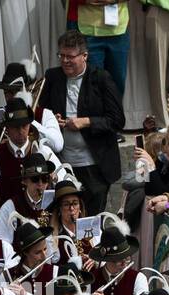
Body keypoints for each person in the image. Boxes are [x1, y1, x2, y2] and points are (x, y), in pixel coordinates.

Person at [40, 29, 125, 216]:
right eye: (61, 55)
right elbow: (41, 112)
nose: (64, 61)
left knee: (91, 219)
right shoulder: (53, 77)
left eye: (70, 56)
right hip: (63, 163)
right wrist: (51, 120)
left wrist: (86, 122)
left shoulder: (101, 78)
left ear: (84, 56)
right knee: (65, 217)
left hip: (94, 165)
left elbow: (117, 120)